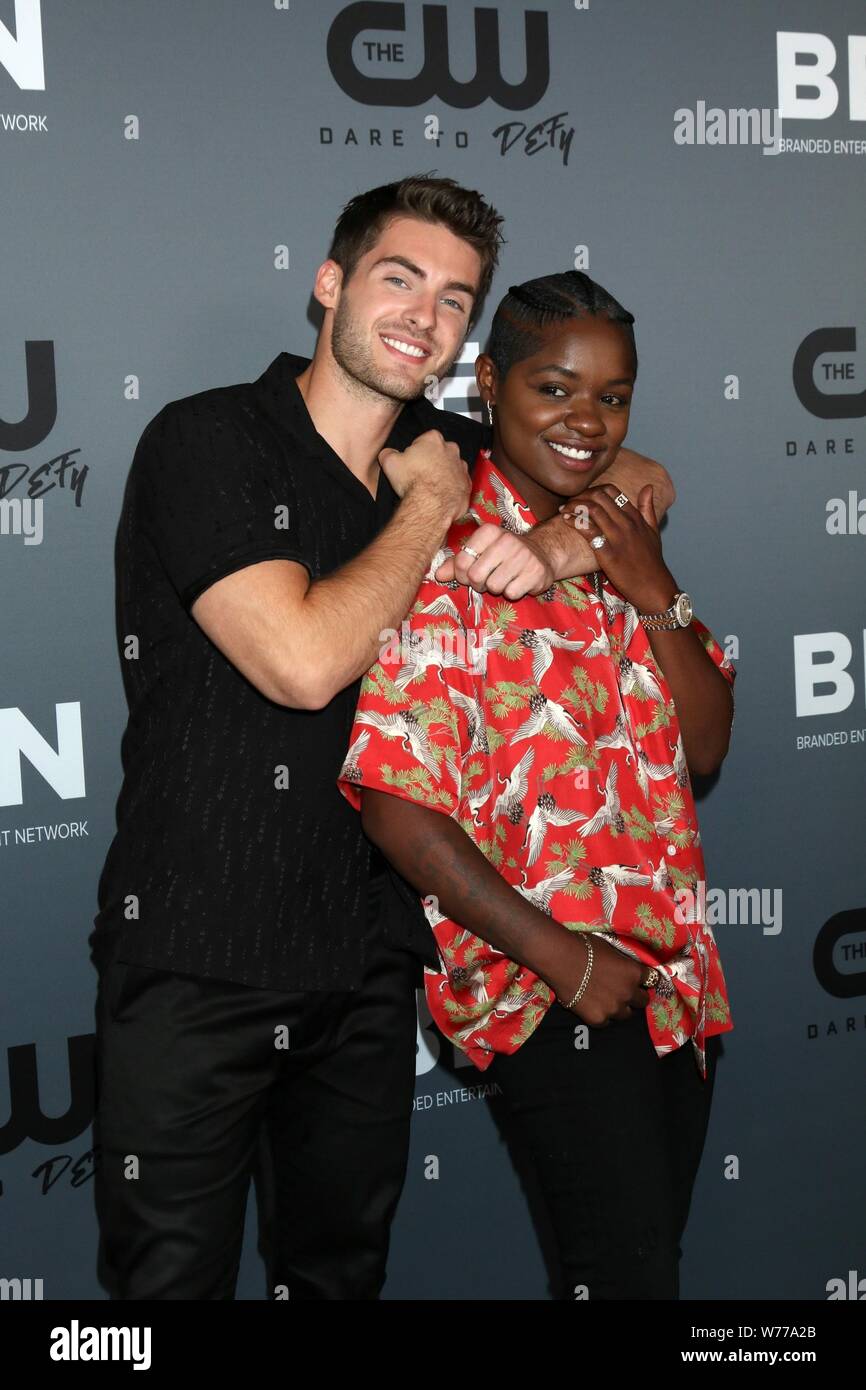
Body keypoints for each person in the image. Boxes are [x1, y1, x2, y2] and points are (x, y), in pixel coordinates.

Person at [90, 175, 674, 1300]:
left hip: (362, 968)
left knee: (340, 1276)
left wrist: (551, 548)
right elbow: (303, 663)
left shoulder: (446, 443)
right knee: (166, 1292)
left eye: (455, 298)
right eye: (398, 279)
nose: (424, 314)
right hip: (195, 957)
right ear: (328, 284)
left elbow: (633, 475)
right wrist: (427, 506)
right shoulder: (210, 440)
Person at [338, 269, 736, 1300]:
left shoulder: (623, 532)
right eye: (554, 389)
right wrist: (561, 960)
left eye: (611, 397)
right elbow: (394, 799)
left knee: (638, 1273)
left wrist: (652, 591)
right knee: (628, 1275)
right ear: (489, 382)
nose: (585, 420)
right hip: (548, 989)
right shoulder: (442, 549)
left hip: (671, 984)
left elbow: (705, 746)